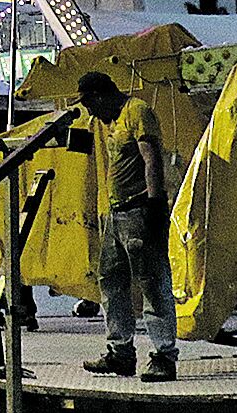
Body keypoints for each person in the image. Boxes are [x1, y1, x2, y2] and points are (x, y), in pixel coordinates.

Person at [77, 71, 177, 383]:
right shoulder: (104, 121)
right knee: (110, 281)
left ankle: (163, 356)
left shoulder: (137, 112)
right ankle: (120, 352)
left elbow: (151, 160)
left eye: (90, 103)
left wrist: (155, 205)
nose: (90, 112)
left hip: (139, 210)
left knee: (151, 282)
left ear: (103, 94)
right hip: (114, 213)